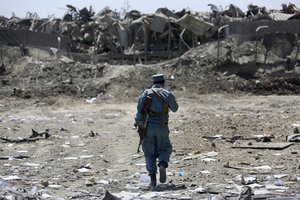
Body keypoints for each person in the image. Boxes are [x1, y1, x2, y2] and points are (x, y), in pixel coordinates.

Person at [134, 74, 179, 189]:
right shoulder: (167, 94)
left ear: (153, 83)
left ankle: (153, 180)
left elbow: (139, 112)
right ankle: (162, 164)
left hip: (148, 127)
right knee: (164, 148)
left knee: (149, 152)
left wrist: (139, 124)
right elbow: (175, 108)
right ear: (163, 82)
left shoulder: (145, 93)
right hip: (162, 127)